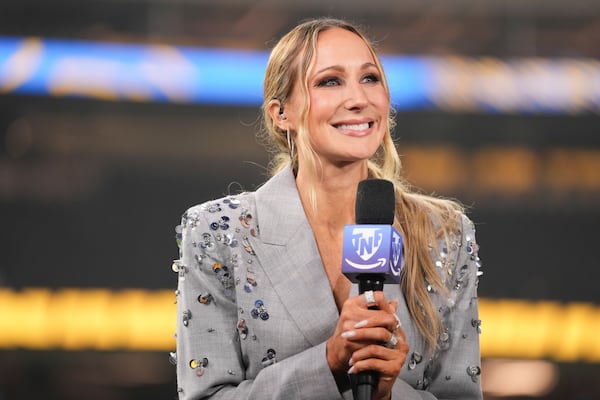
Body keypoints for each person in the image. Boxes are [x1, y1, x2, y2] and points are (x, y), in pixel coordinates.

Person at [172, 17, 483, 400]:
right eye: (330, 81)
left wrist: (387, 396)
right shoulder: (220, 232)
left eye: (369, 78)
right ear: (281, 113)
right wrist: (329, 362)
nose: (358, 99)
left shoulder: (444, 234)